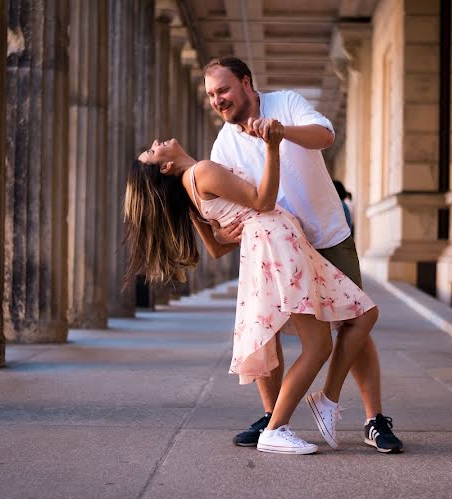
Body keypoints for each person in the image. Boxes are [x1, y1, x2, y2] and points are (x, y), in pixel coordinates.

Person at [124, 134, 379, 455]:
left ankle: (318, 403)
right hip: (279, 245)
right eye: (152, 151)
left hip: (274, 246)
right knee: (318, 345)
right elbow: (262, 201)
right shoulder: (201, 171)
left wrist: (233, 227)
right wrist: (272, 147)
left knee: (364, 313)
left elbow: (216, 248)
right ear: (166, 167)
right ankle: (276, 428)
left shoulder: (190, 195)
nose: (157, 142)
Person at [200, 56, 403, 454]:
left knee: (353, 321)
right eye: (210, 94)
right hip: (278, 249)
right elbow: (231, 203)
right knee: (266, 328)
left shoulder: (285, 103)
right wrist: (222, 231)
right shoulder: (224, 143)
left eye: (223, 90)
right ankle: (274, 417)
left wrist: (280, 133)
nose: (217, 100)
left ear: (246, 82)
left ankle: (372, 418)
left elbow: (324, 136)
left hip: (326, 234)